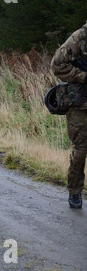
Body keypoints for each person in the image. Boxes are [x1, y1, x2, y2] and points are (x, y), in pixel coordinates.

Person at [51, 21, 87, 209]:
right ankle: (74, 191)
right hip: (81, 105)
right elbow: (57, 65)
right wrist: (83, 76)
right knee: (80, 151)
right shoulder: (80, 37)